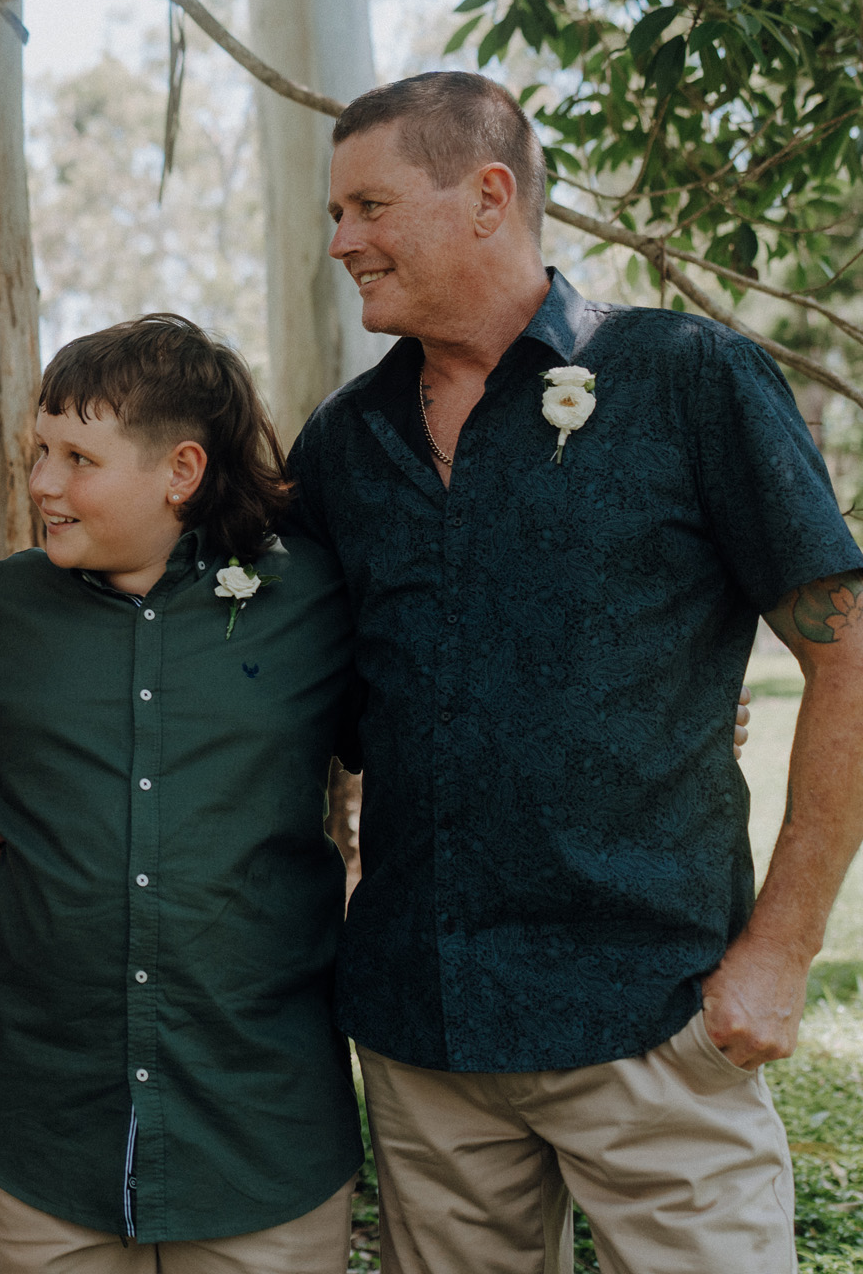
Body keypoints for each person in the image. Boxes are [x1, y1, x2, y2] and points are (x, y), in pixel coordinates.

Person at [287, 71, 863, 1271]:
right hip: (424, 1042)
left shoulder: (691, 381)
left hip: (657, 1021)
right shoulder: (344, 446)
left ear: (489, 195)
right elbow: (292, 706)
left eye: (370, 206)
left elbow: (846, 650)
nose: (342, 240)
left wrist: (781, 951)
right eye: (337, 213)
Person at [0, 316, 360, 1273]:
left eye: (78, 458)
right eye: (40, 451)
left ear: (180, 472)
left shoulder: (311, 605)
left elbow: (441, 730)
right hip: (36, 1120)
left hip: (258, 1123)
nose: (43, 484)